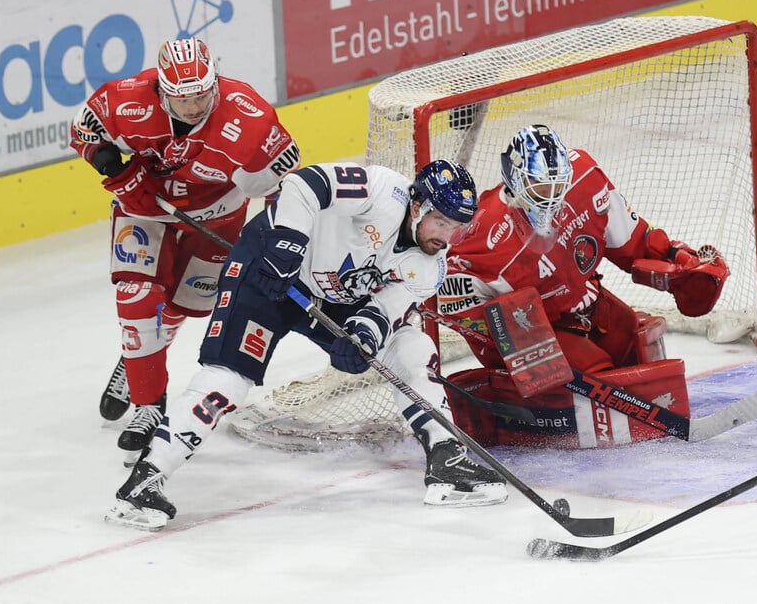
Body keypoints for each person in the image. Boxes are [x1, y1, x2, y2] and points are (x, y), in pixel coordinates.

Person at [105, 159, 507, 531]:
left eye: (457, 227)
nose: (447, 237)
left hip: (332, 298)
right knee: (229, 380)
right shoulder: (382, 190)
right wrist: (288, 243)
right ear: (417, 207)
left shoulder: (430, 266)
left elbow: (384, 308)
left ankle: (446, 459)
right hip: (268, 269)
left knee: (411, 348)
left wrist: (363, 337)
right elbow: (304, 183)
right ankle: (144, 483)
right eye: (441, 222)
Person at [70, 37, 300, 459]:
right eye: (182, 98)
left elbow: (287, 186)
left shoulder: (250, 119)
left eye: (201, 95)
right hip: (143, 209)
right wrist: (112, 165)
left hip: (218, 215)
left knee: (184, 304)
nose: (194, 106)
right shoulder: (127, 99)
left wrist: (281, 244)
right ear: (161, 90)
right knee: (136, 296)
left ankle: (141, 353)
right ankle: (147, 406)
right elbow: (85, 129)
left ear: (215, 82)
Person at [435, 124, 730, 448]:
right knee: (596, 378)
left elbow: (632, 241)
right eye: (539, 186)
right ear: (515, 180)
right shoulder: (482, 234)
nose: (551, 196)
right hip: (541, 330)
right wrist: (512, 345)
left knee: (635, 343)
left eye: (558, 184)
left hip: (587, 302)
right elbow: (452, 298)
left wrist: (675, 259)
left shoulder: (586, 179)